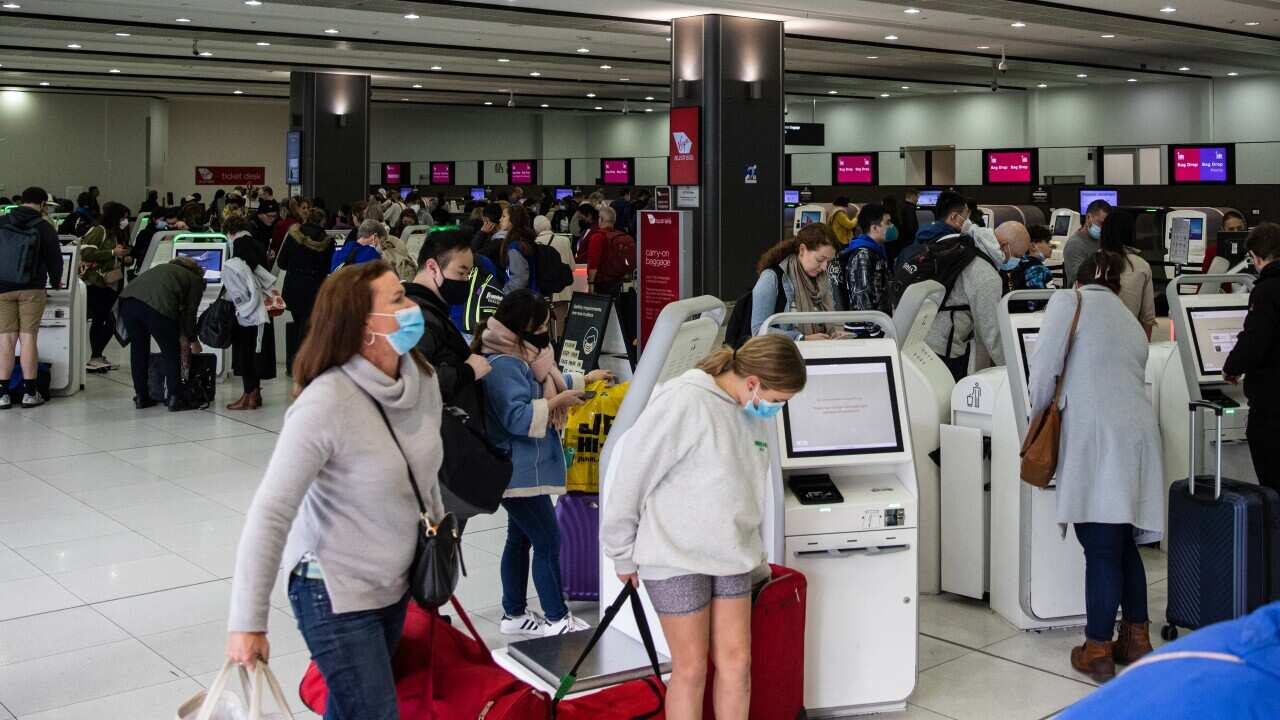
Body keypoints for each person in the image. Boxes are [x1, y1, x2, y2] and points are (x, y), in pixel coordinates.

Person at [225, 261, 445, 720]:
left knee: (351, 710)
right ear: (364, 326)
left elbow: (425, 476)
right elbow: (271, 513)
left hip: (395, 584)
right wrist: (247, 622)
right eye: (398, 301)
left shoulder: (422, 379)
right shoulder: (326, 402)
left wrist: (437, 551)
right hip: (332, 589)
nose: (412, 308)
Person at [603, 334, 807, 720]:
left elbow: (745, 493)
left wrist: (756, 558)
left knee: (737, 664)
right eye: (779, 401)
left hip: (731, 557)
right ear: (753, 383)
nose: (778, 410)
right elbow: (632, 476)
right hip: (674, 555)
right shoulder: (684, 401)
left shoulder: (750, 413)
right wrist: (621, 552)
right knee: (692, 669)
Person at [1029, 251, 1163, 682]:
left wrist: (1033, 424)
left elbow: (1044, 371)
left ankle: (1098, 648)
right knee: (1123, 540)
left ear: (1077, 279)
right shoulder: (1128, 319)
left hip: (1094, 436)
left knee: (1101, 547)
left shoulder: (1069, 303)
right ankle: (1137, 641)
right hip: (1138, 435)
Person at [474, 289, 610, 636]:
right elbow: (516, 416)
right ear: (523, 326)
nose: (545, 333)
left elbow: (546, 381)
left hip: (525, 468)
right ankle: (556, 617)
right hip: (519, 471)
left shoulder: (524, 357)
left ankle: (514, 614)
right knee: (549, 542)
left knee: (518, 540)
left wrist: (583, 380)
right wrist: (557, 403)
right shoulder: (504, 364)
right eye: (540, 325)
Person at [405, 228, 491, 420]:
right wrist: (467, 372)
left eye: (469, 275)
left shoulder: (430, 310)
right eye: (461, 273)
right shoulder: (418, 318)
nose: (465, 281)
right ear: (433, 267)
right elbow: (410, 382)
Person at [1224, 223, 1280, 494]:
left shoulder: (1266, 290)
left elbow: (1255, 338)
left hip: (1271, 405)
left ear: (1257, 257)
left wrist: (1232, 367)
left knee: (1272, 488)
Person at [0, 187, 63, 410]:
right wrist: (56, 283)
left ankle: (3, 394)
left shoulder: (2, 221)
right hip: (32, 289)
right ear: (42, 204)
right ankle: (29, 393)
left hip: (2, 288)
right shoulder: (44, 227)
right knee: (28, 338)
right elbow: (55, 259)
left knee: (5, 340)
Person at [118, 256, 206, 411]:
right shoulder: (194, 279)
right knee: (171, 351)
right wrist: (193, 340)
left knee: (139, 350)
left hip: (127, 303)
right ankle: (175, 398)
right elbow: (189, 314)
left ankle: (141, 397)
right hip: (156, 306)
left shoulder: (162, 268)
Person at [750, 223, 840, 340]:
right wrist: (802, 338)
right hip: (786, 355)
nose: (824, 267)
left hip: (820, 352)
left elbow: (827, 322)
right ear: (802, 250)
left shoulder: (824, 280)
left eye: (829, 262)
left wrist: (834, 333)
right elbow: (758, 331)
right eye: (820, 259)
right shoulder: (771, 278)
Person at [223, 216, 276, 411]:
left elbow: (243, 276)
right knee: (257, 349)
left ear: (229, 231)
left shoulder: (239, 245)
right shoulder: (257, 242)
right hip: (262, 306)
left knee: (245, 351)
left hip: (248, 307)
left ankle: (249, 395)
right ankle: (256, 393)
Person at [78, 201, 132, 372]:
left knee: (107, 319)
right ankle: (95, 356)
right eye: (123, 217)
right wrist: (112, 253)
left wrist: (121, 257)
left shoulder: (112, 233)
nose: (125, 221)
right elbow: (86, 253)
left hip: (108, 283)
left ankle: (97, 355)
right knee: (104, 319)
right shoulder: (99, 231)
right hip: (96, 283)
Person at [1090, 209, 1156, 339]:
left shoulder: (1090, 263)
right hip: (1129, 341)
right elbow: (1148, 318)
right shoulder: (1141, 266)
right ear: (1131, 233)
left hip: (1093, 341)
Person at [277, 208, 334, 355]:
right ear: (322, 221)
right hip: (314, 288)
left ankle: (295, 362)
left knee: (298, 324)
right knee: (308, 327)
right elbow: (328, 268)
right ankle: (305, 363)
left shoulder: (293, 235)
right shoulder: (327, 241)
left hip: (293, 287)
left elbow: (281, 263)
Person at [833, 202, 894, 317]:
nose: (891, 226)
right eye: (887, 222)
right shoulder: (862, 256)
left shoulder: (876, 250)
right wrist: (875, 331)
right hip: (870, 328)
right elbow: (862, 300)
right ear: (874, 227)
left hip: (880, 321)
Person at [535, 214, 575, 335]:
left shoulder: (534, 243)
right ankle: (560, 346)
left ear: (535, 229)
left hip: (544, 290)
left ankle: (549, 346)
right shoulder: (565, 240)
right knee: (561, 321)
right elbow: (572, 266)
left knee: (544, 321)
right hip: (562, 289)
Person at [1062, 199, 1110, 290]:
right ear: (1088, 217)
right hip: (1081, 297)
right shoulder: (1074, 245)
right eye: (1101, 223)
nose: (1103, 228)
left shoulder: (1103, 241)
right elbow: (1079, 277)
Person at [995, 221, 1051, 293]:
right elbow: (1048, 298)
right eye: (1047, 242)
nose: (1050, 245)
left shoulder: (993, 267)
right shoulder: (1038, 269)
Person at [499, 204, 538, 293]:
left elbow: (519, 279)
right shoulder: (525, 241)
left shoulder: (515, 246)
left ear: (513, 220)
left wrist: (505, 293)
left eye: (504, 216)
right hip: (529, 297)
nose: (500, 219)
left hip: (519, 300)